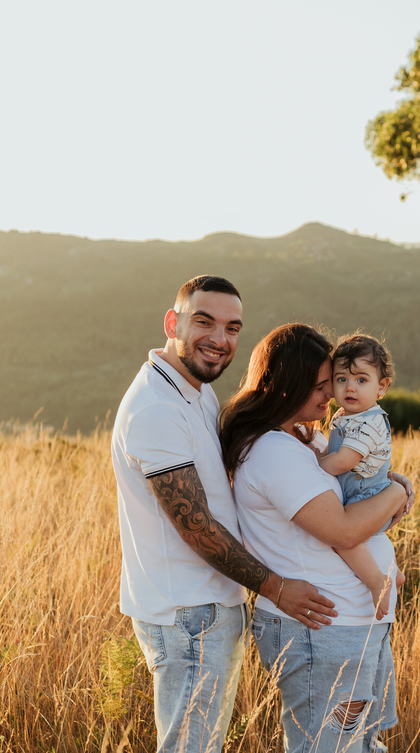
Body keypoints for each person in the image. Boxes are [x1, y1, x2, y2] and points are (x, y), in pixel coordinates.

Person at [110, 276, 337, 753]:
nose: (220, 339)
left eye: (233, 328)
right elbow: (196, 526)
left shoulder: (193, 388)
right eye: (204, 322)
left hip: (204, 606)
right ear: (173, 323)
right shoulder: (156, 409)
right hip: (189, 613)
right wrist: (276, 587)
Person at [222, 324, 414, 753]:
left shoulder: (306, 436)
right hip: (322, 632)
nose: (332, 394)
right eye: (322, 385)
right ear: (286, 386)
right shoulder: (274, 450)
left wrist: (386, 494)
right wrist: (398, 491)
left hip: (349, 628)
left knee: (359, 744)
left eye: (337, 382)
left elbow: (357, 506)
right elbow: (344, 529)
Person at [316, 334, 404, 619]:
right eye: (341, 379)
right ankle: (395, 571)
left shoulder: (371, 422)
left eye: (361, 380)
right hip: (355, 492)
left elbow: (343, 461)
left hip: (368, 496)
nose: (350, 387)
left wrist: (312, 464)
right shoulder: (346, 415)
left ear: (382, 387)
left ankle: (377, 580)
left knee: (342, 538)